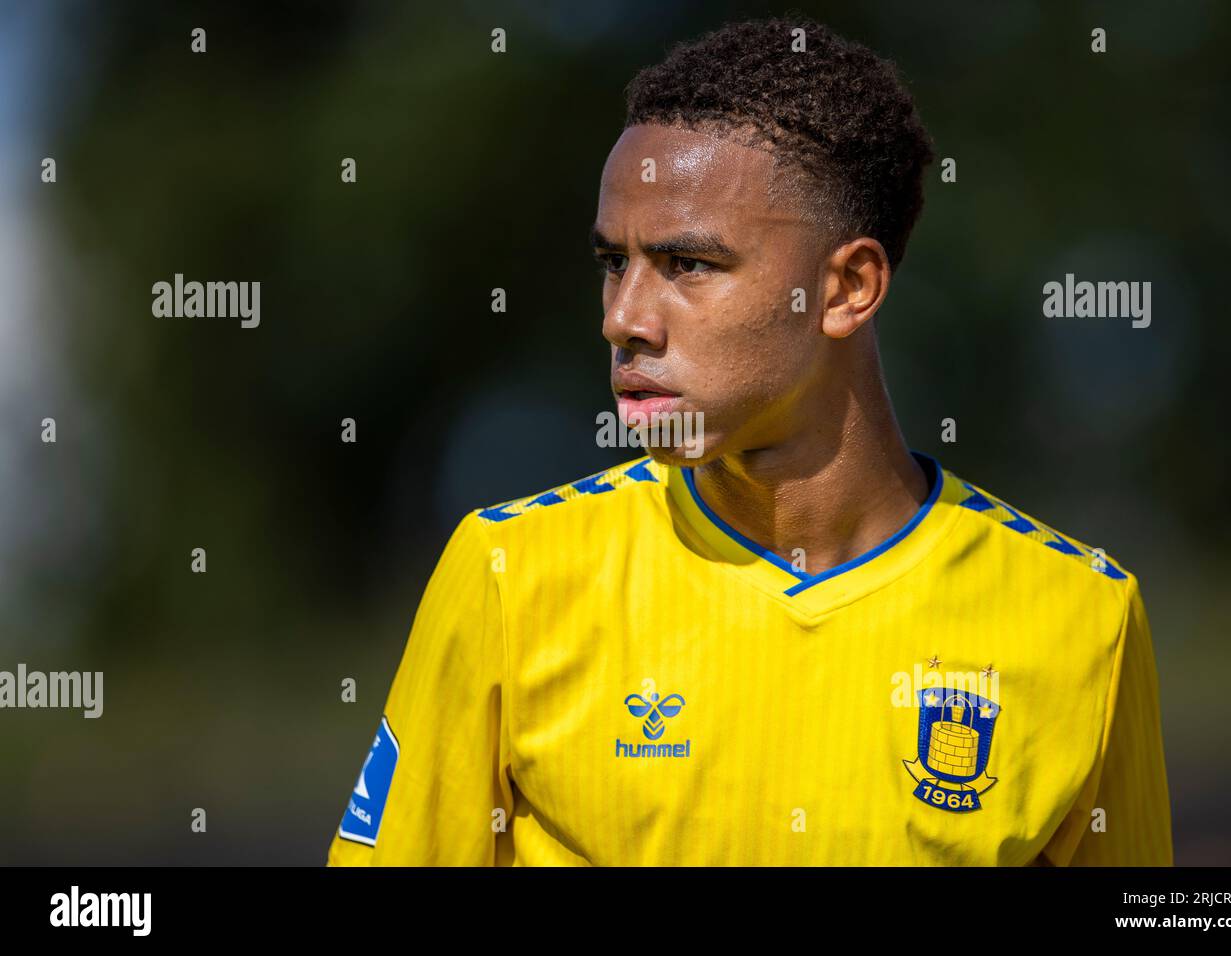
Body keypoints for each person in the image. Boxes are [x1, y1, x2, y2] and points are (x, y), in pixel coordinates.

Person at [327, 16, 1172, 866]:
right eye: (613, 263)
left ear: (847, 288)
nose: (624, 319)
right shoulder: (512, 578)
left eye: (688, 265)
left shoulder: (1083, 618)